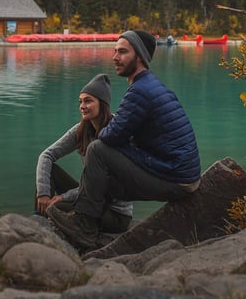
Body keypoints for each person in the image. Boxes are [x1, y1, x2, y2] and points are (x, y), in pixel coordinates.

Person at [47, 30, 201, 251]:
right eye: (114, 51)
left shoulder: (140, 91)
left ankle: (85, 227)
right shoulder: (151, 85)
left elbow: (111, 136)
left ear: (139, 56)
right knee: (106, 160)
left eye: (122, 52)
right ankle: (95, 215)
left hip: (176, 178)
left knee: (97, 149)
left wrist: (106, 133)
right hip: (179, 172)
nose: (114, 57)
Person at [35, 72, 133, 237]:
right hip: (89, 197)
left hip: (114, 213)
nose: (82, 106)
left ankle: (43, 230)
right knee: (48, 173)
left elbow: (104, 188)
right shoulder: (82, 131)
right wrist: (43, 194)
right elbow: (47, 155)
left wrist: (64, 197)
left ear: (102, 104)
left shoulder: (117, 133)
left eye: (88, 101)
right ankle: (37, 222)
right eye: (80, 101)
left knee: (56, 209)